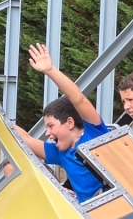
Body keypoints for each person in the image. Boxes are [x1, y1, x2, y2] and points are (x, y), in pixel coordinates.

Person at [14, 44, 108, 203]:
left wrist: (50, 70)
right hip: (90, 215)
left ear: (69, 122)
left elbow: (78, 99)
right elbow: (26, 140)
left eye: (51, 126)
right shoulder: (60, 152)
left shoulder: (95, 133)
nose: (48, 133)